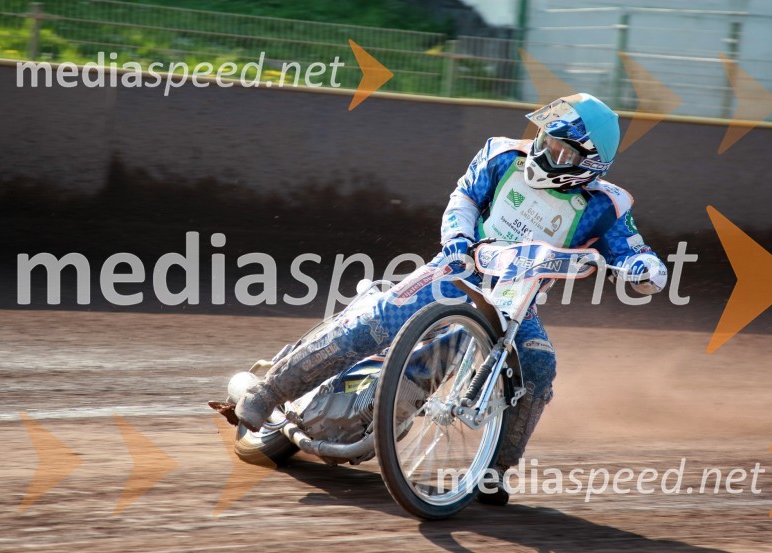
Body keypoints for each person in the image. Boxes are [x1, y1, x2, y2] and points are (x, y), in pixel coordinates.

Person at [220, 93, 668, 505]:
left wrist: (644, 269)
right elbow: (465, 197)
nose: (544, 149)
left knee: (539, 366)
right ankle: (268, 392)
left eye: (560, 148)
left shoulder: (606, 206)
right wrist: (457, 240)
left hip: (516, 300)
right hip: (456, 268)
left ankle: (495, 470)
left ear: (587, 163)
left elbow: (635, 253)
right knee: (378, 320)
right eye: (546, 137)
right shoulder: (501, 154)